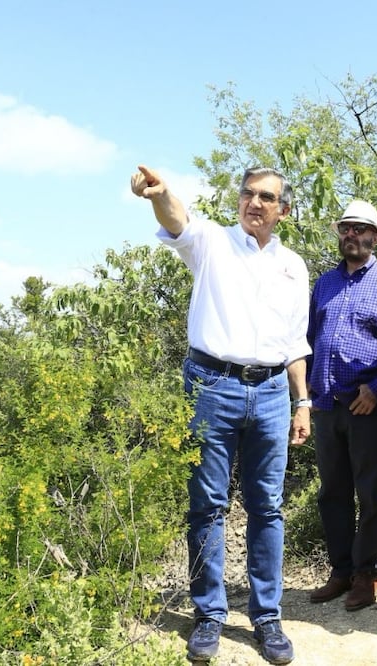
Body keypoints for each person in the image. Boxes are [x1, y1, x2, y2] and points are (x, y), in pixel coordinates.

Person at [130, 164, 310, 665]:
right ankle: (209, 613)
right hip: (212, 385)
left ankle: (266, 616)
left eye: (267, 197)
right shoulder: (211, 241)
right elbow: (177, 220)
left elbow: (296, 342)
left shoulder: (295, 266)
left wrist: (303, 402)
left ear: (284, 209)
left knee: (267, 506)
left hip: (273, 391)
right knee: (208, 504)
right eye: (249, 194)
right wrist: (159, 194)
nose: (255, 202)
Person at [307, 200, 377, 611]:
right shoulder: (324, 283)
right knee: (332, 492)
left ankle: (367, 573)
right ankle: (340, 570)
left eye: (360, 228)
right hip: (327, 406)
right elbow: (310, 340)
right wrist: (308, 394)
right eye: (346, 228)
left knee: (369, 492)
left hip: (368, 406)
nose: (352, 234)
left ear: (375, 236)